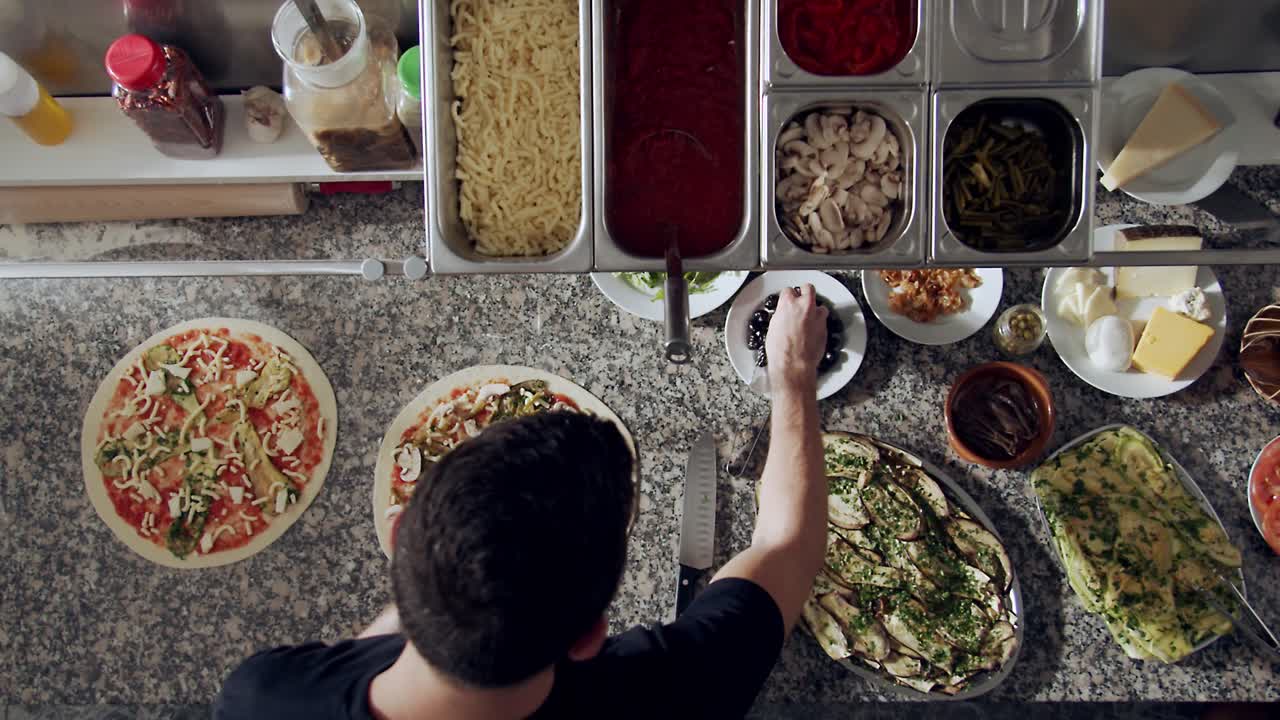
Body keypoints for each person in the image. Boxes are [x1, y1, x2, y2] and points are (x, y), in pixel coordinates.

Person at [214, 285, 832, 720]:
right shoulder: (667, 693)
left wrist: (460, 565)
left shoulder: (261, 696)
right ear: (590, 635)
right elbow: (788, 545)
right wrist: (794, 377)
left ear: (399, 535)